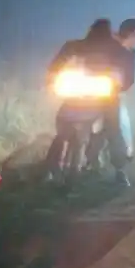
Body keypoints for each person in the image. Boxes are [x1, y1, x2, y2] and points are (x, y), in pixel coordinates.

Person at [41, 18, 127, 182]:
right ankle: (50, 168)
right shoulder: (77, 45)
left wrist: (118, 81)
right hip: (80, 91)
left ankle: (119, 170)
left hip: (105, 95)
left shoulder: (116, 48)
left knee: (113, 128)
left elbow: (124, 70)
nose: (98, 38)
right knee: (62, 125)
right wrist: (52, 77)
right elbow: (59, 61)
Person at [86, 17, 135, 187]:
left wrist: (119, 85)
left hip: (110, 94)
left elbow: (128, 79)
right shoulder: (108, 46)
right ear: (134, 34)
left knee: (115, 128)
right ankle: (84, 161)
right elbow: (88, 62)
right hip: (89, 91)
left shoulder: (130, 53)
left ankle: (120, 170)